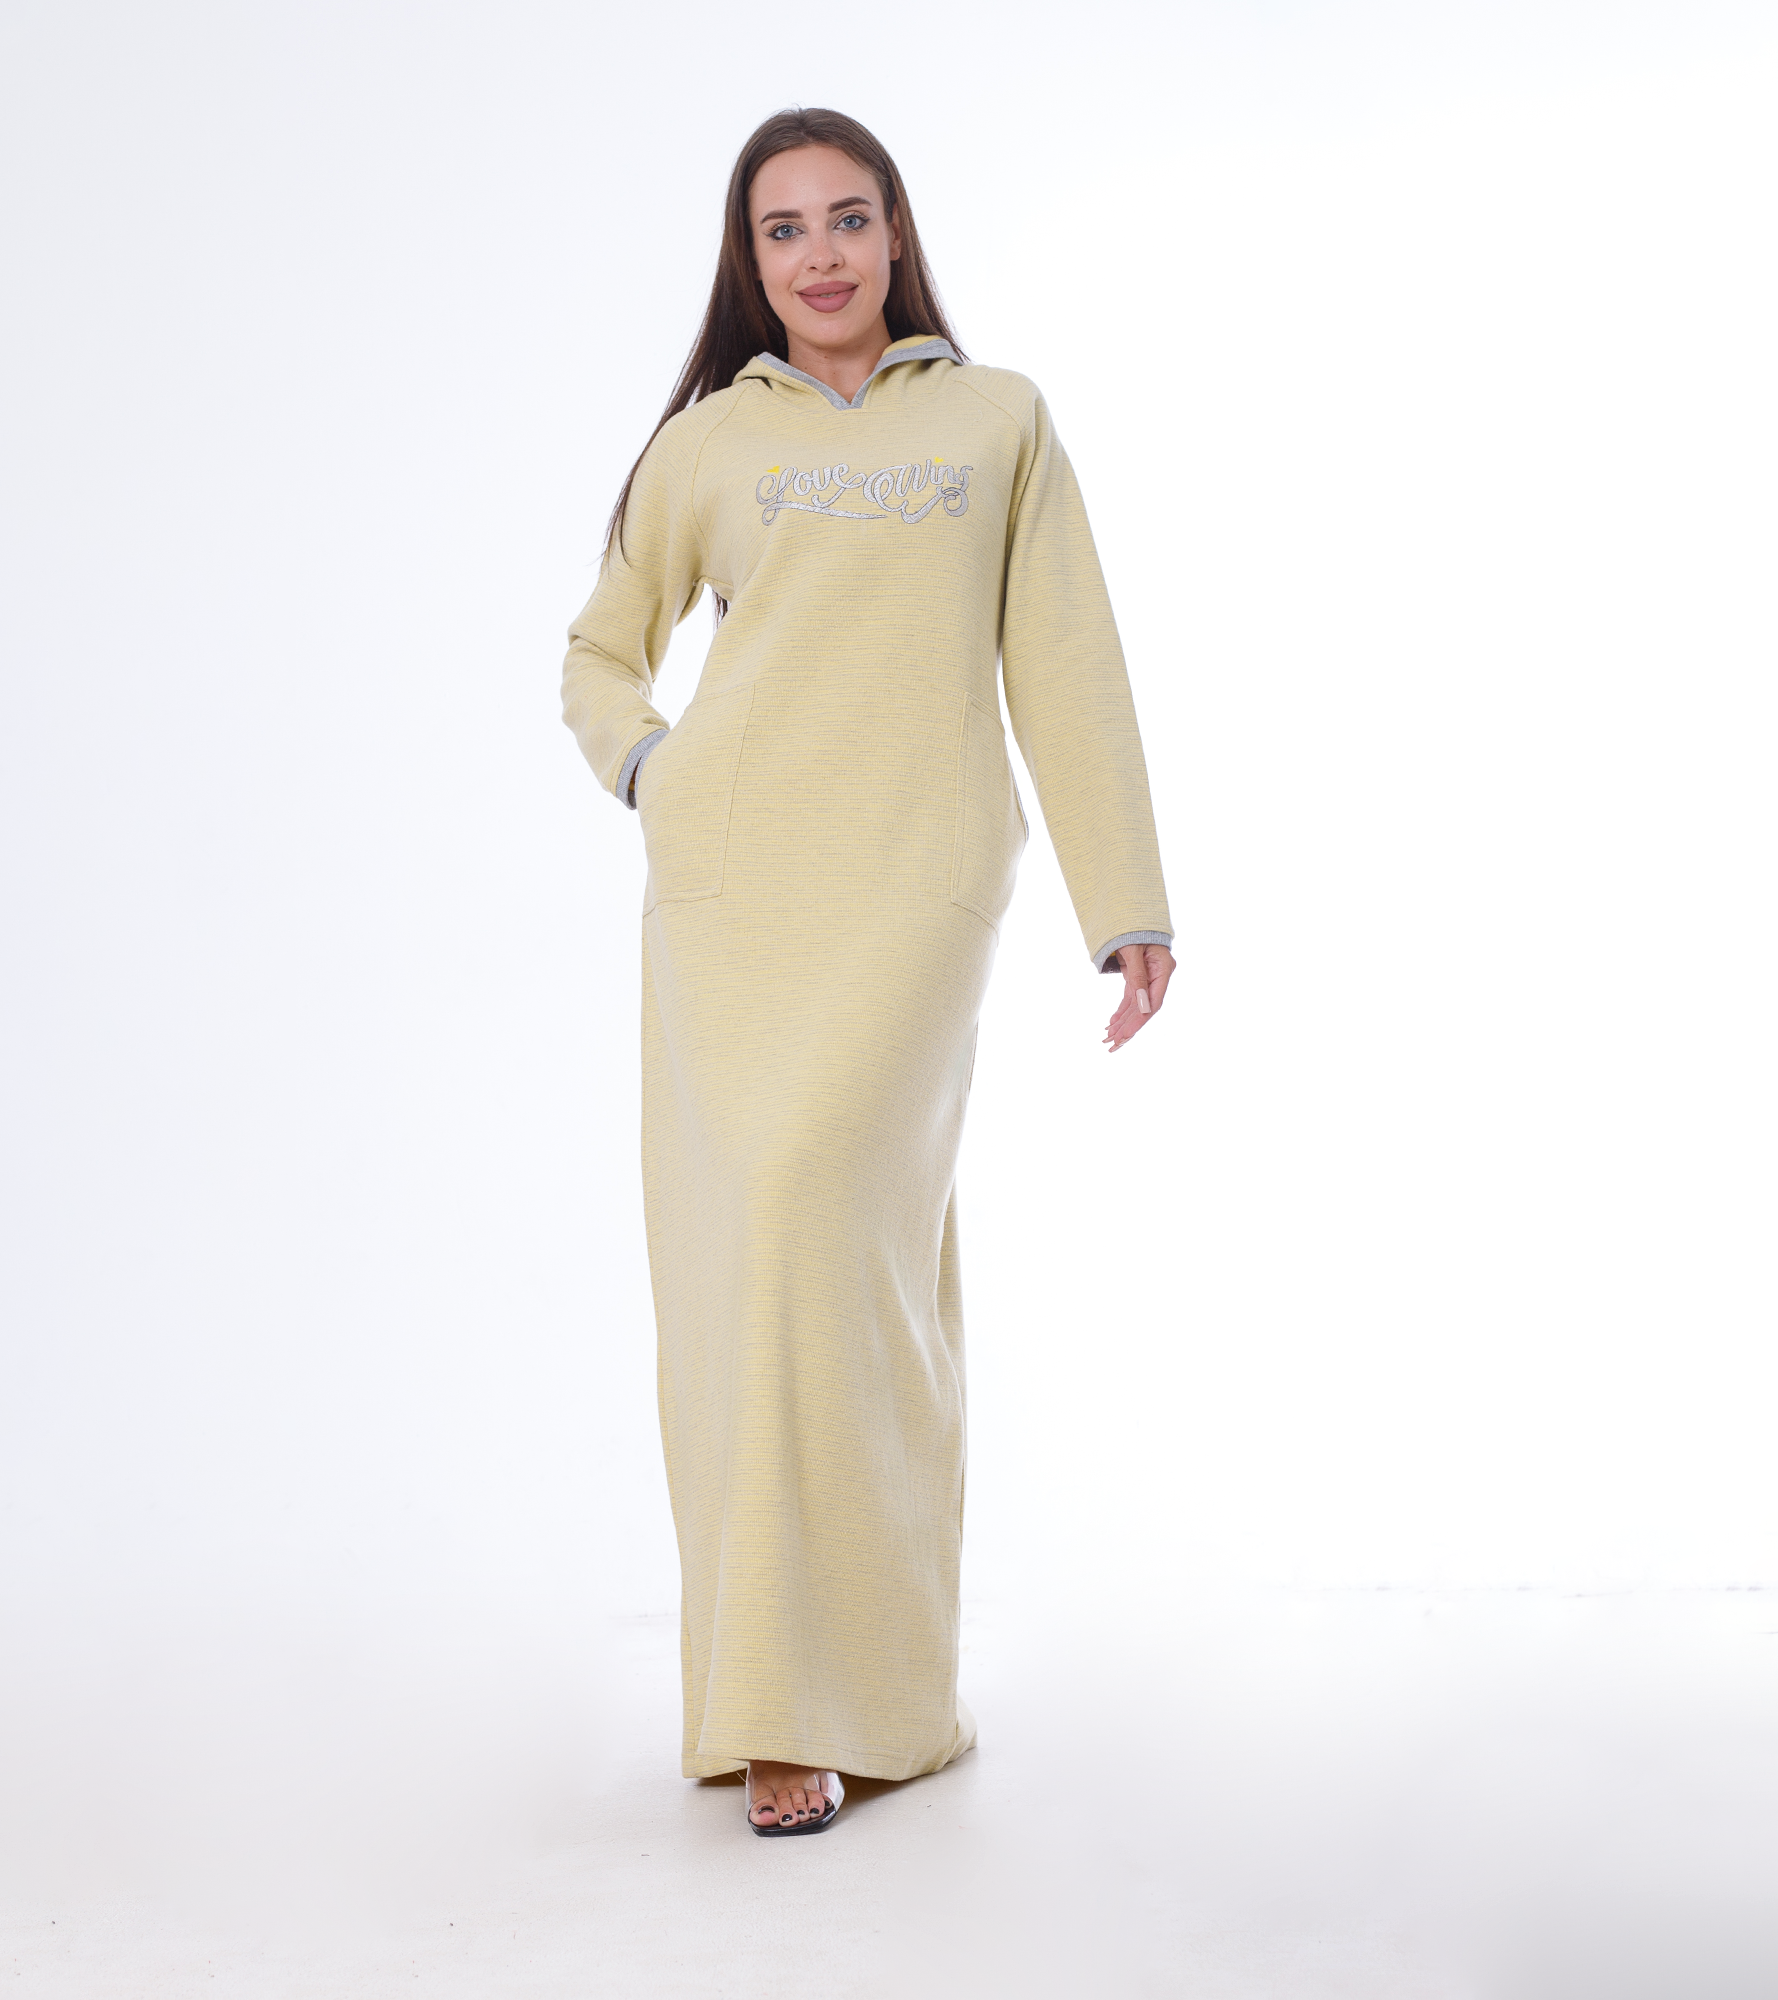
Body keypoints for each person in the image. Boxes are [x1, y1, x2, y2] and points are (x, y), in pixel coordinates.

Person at [560, 107, 1175, 1837]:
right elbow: (600, 654)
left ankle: (874, 1692)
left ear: (897, 232)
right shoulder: (706, 446)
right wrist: (655, 771)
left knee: (826, 1219)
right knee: (765, 1254)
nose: (820, 255)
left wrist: (1126, 898)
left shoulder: (998, 421)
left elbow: (1067, 658)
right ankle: (782, 1706)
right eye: (783, 230)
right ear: (748, 262)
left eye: (848, 218)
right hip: (735, 890)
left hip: (918, 883)